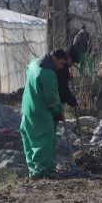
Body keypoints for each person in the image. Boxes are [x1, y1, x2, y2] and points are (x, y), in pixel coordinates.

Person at [20, 48, 68, 180]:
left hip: (27, 108)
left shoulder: (35, 63)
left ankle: (33, 170)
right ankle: (42, 172)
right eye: (61, 63)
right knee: (43, 142)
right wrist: (58, 110)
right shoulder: (48, 73)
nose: (61, 67)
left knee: (30, 141)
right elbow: (51, 99)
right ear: (54, 59)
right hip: (40, 113)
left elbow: (27, 69)